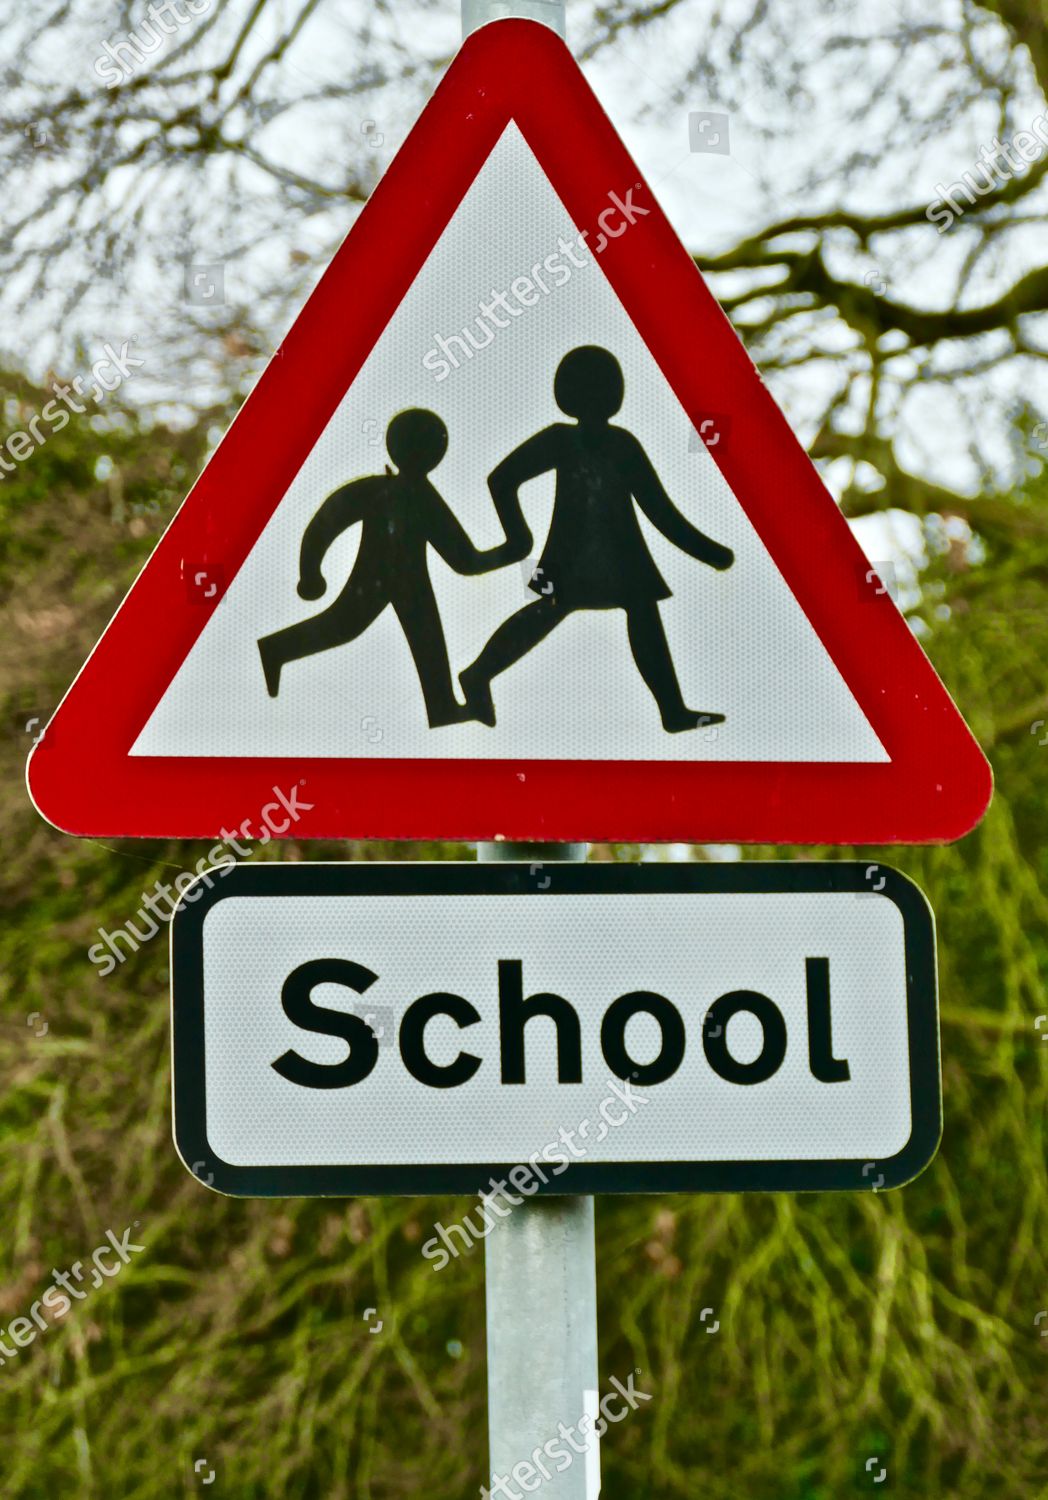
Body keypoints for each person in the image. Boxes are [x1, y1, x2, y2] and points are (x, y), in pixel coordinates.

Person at [460, 345, 735, 731]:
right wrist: (518, 538)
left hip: (617, 556)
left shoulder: (619, 444)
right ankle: (477, 675)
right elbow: (501, 480)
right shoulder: (571, 440)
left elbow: (659, 510)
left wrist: (711, 552)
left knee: (633, 611)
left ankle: (672, 711)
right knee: (560, 612)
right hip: (576, 555)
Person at [258, 408, 523, 726]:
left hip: (408, 583)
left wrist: (311, 571)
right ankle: (275, 649)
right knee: (346, 627)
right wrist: (511, 550)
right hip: (378, 580)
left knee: (422, 640)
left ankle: (443, 707)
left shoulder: (395, 492)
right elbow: (328, 521)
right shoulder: (404, 494)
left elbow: (325, 522)